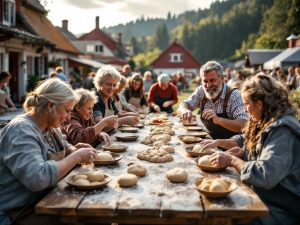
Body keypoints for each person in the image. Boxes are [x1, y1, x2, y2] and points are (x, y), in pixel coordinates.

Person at [201, 74, 300, 225]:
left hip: (281, 208)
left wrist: (233, 160)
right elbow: (247, 139)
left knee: (219, 216)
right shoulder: (267, 119)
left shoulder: (283, 130)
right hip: (262, 196)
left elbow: (265, 174)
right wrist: (233, 147)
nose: (246, 110)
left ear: (259, 104)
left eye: (246, 104)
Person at [0, 78, 97, 225]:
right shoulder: (21, 130)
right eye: (67, 110)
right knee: (88, 217)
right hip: (16, 212)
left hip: (44, 200)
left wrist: (72, 149)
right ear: (51, 105)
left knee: (91, 208)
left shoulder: (49, 126)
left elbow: (63, 144)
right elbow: (37, 178)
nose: (69, 117)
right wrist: (76, 157)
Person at [177, 61, 247, 139]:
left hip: (231, 145)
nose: (208, 85)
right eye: (205, 81)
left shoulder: (234, 95)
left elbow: (243, 124)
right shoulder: (201, 90)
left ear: (222, 78)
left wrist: (219, 120)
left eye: (212, 80)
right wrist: (185, 111)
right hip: (209, 141)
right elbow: (183, 105)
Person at [92, 65, 139, 131]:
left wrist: (131, 115)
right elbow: (98, 123)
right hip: (100, 139)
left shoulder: (109, 98)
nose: (111, 88)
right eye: (108, 84)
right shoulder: (95, 99)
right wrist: (123, 120)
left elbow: (117, 114)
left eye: (114, 85)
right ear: (100, 83)